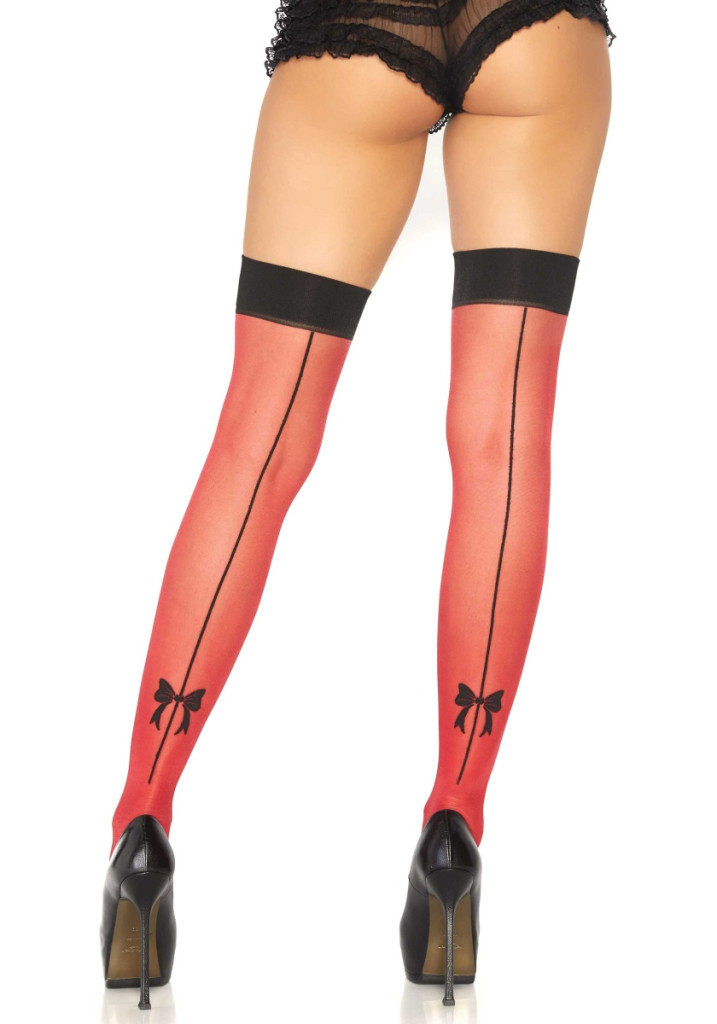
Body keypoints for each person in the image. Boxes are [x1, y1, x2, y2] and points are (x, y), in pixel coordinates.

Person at [100, 0, 616, 1009]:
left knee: (260, 439)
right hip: (534, 34)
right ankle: (454, 826)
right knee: (502, 436)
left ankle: (142, 822)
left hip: (362, 27)